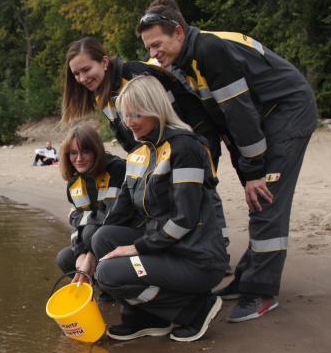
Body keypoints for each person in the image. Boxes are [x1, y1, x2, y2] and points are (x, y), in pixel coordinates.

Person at [137, 0, 319, 322]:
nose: (153, 53)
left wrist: (254, 173)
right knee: (257, 192)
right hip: (261, 119)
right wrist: (237, 170)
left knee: (265, 197)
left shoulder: (208, 51)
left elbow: (240, 114)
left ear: (178, 31)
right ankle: (248, 275)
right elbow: (222, 122)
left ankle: (261, 292)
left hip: (288, 111)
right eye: (148, 48)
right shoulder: (183, 61)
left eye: (157, 44)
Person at [88, 75, 228, 342]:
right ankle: (146, 317)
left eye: (137, 114)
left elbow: (185, 219)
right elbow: (119, 214)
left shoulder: (185, 147)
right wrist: (87, 258)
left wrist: (137, 248)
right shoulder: (139, 155)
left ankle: (193, 309)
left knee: (109, 273)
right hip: (167, 251)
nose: (129, 123)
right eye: (125, 115)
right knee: (101, 239)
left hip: (196, 258)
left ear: (156, 109)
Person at [62, 36, 235, 250]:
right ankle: (174, 243)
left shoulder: (134, 77)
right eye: (76, 74)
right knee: (167, 196)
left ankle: (218, 246)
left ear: (104, 62)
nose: (82, 78)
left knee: (201, 191)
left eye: (86, 70)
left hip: (194, 135)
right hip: (158, 145)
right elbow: (127, 133)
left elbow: (169, 116)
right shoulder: (102, 95)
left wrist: (187, 146)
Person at [55, 124, 126, 285]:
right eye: (73, 153)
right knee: (65, 258)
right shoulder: (74, 184)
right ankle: (100, 290)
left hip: (122, 232)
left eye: (85, 151)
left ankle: (113, 285)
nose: (79, 158)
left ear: (96, 151)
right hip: (95, 236)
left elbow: (111, 215)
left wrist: (90, 255)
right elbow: (78, 226)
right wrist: (80, 252)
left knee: (90, 232)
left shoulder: (116, 169)